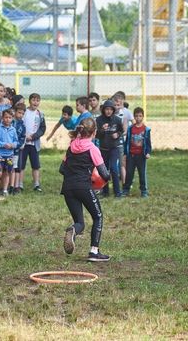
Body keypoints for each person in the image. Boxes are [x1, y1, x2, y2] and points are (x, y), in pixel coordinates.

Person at [60, 117, 112, 262]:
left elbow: (62, 169)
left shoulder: (71, 146)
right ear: (94, 132)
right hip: (83, 186)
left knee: (80, 223)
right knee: (98, 217)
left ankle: (73, 230)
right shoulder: (92, 148)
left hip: (68, 188)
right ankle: (94, 252)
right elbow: (104, 174)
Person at [95, 99, 123, 197]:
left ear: (113, 110)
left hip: (114, 148)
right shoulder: (99, 120)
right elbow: (97, 135)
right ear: (103, 110)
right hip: (103, 149)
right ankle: (105, 192)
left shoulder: (117, 119)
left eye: (110, 109)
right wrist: (102, 129)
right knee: (105, 170)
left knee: (114, 169)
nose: (108, 111)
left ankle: (117, 192)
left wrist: (118, 134)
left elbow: (121, 130)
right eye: (106, 109)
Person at [19, 93, 46, 192]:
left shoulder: (40, 114)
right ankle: (20, 184)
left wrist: (34, 136)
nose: (36, 102)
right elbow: (19, 124)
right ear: (29, 101)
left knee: (35, 165)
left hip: (34, 144)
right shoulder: (24, 112)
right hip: (23, 144)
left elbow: (42, 129)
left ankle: (36, 184)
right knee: (21, 165)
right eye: (34, 100)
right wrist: (24, 135)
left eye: (38, 100)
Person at [123, 107, 151, 197]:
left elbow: (148, 143)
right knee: (129, 173)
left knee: (142, 173)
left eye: (140, 116)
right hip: (131, 155)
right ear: (134, 117)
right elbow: (127, 141)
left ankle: (144, 191)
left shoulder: (146, 129)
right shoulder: (131, 129)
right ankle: (126, 190)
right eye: (136, 116)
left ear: (143, 117)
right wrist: (125, 153)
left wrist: (147, 152)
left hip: (141, 156)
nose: (138, 118)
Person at [0, 109, 18, 196]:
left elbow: (16, 141)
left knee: (7, 172)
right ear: (2, 118)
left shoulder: (13, 129)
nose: (7, 119)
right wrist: (3, 144)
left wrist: (12, 145)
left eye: (10, 117)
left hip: (9, 155)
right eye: (6, 117)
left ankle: (5, 190)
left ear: (12, 119)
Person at [113, 92, 133, 187]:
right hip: (111, 142)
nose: (117, 107)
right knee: (113, 164)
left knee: (123, 163)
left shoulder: (125, 113)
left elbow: (127, 127)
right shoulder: (110, 114)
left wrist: (120, 134)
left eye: (119, 105)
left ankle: (125, 183)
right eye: (115, 105)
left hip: (122, 141)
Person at [10, 102, 27, 194]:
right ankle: (9, 186)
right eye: (19, 112)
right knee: (8, 167)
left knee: (16, 168)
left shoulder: (22, 125)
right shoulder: (10, 122)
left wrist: (17, 145)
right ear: (15, 112)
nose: (20, 115)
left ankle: (16, 186)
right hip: (7, 149)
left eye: (22, 113)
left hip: (17, 150)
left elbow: (23, 137)